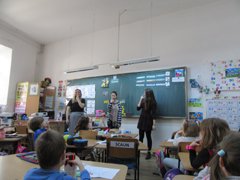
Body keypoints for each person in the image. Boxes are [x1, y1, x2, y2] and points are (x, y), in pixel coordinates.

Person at [24, 130, 90, 180]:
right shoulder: (65, 178)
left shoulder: (29, 174)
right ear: (63, 156)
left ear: (37, 156)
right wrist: (81, 166)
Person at [137, 88, 157, 159]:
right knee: (140, 137)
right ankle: (138, 152)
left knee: (148, 137)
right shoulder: (143, 100)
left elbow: (154, 114)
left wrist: (154, 124)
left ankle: (148, 153)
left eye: (144, 93)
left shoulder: (153, 102)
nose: (143, 94)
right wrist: (140, 99)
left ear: (148, 94)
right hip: (142, 120)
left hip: (149, 121)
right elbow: (138, 108)